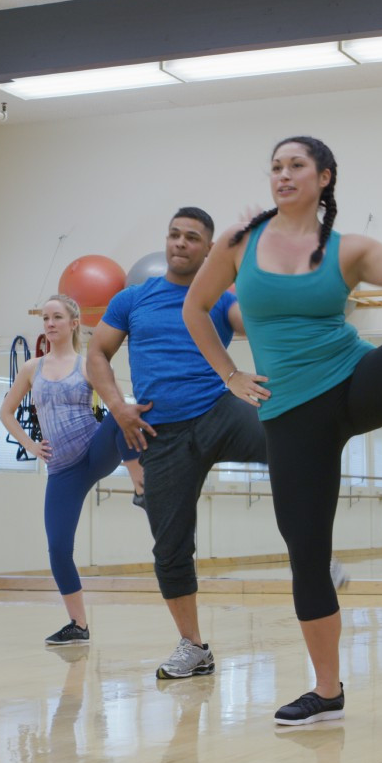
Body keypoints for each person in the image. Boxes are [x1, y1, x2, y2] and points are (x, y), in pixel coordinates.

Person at [183, 132, 382, 725]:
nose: (283, 175)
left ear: (324, 177)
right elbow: (194, 309)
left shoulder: (346, 249)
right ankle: (327, 691)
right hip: (290, 414)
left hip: (351, 382)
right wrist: (229, 374)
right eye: (275, 165)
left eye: (296, 165)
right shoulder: (238, 243)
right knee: (307, 556)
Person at [87, 207, 269, 682]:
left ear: (209, 249)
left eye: (192, 238)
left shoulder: (220, 298)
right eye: (174, 235)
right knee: (169, 548)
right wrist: (117, 406)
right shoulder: (132, 300)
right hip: (160, 432)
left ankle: (317, 554)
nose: (181, 243)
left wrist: (250, 253)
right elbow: (96, 354)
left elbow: (256, 320)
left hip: (217, 411)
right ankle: (193, 647)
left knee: (291, 439)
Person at [0, 294, 141, 646]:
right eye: (45, 318)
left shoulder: (87, 364)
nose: (49, 323)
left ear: (73, 323)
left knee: (120, 413)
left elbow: (118, 404)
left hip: (93, 451)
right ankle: (78, 624)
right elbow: (6, 412)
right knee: (59, 549)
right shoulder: (32, 369)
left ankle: (142, 486)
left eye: (57, 317)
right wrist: (30, 445)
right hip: (63, 470)